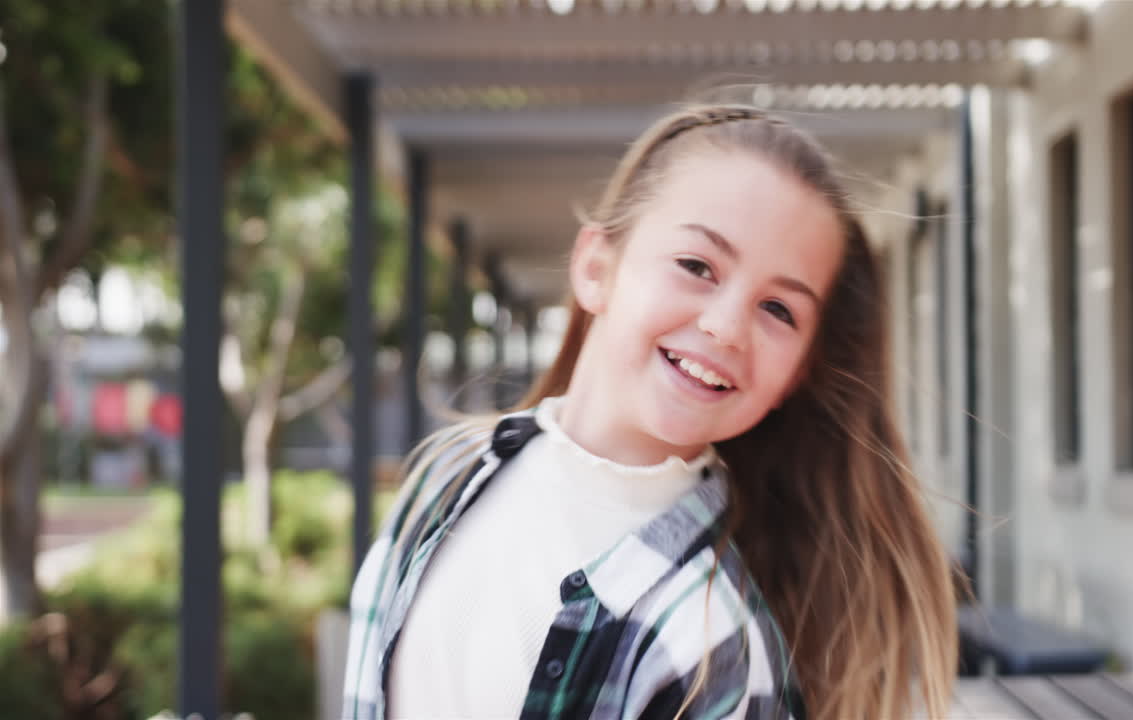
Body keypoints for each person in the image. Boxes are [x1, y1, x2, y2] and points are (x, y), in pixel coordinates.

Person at [342, 105, 957, 720]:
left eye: (779, 310)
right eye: (696, 266)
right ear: (595, 268)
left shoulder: (713, 647)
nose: (725, 328)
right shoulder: (445, 475)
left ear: (797, 373)